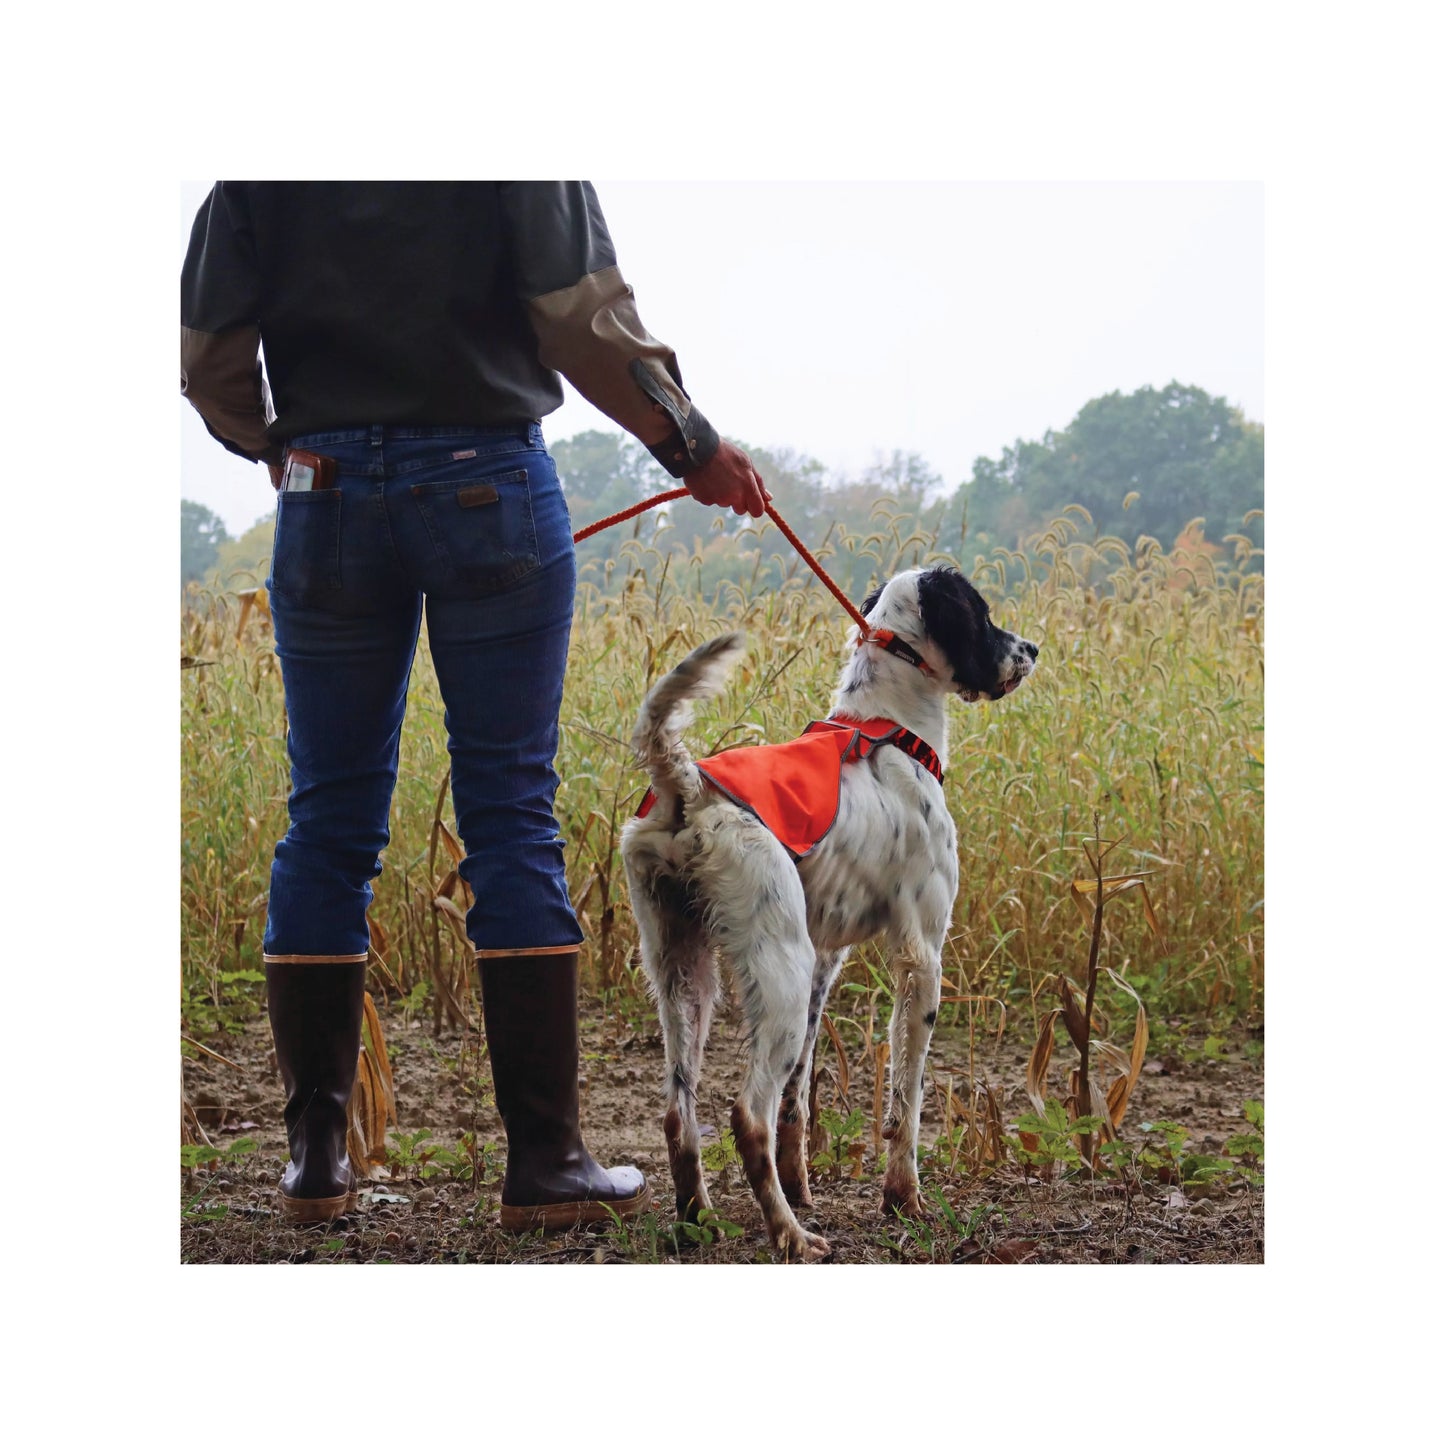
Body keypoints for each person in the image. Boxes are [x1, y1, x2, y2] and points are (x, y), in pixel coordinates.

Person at [180, 181, 769, 1230]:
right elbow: (581, 318)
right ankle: (543, 1161)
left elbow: (209, 353)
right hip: (486, 479)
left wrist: (273, 444)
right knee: (509, 811)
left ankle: (315, 1160)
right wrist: (691, 445)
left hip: (322, 493)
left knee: (326, 820)